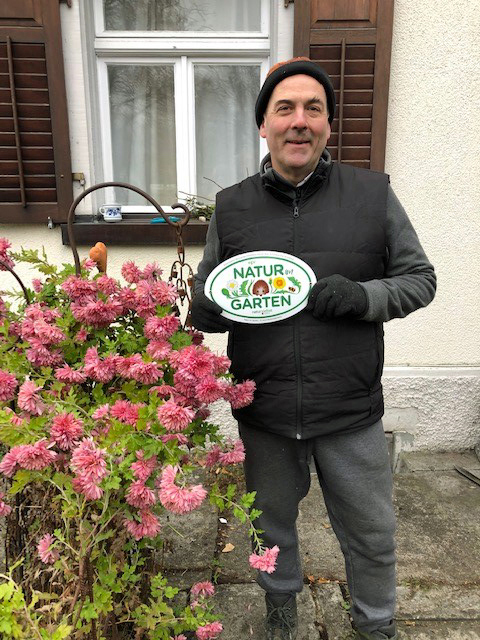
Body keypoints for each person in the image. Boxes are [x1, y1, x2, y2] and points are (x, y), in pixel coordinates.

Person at [191, 58, 436, 640]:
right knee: (269, 528)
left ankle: (375, 625)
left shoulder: (373, 196)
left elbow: (420, 279)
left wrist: (364, 296)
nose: (299, 121)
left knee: (372, 533)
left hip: (349, 408)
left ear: (328, 125)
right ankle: (281, 611)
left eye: (313, 109)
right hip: (266, 410)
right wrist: (205, 308)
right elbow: (208, 288)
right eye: (285, 108)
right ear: (264, 125)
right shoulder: (232, 206)